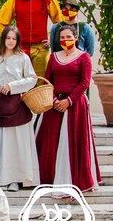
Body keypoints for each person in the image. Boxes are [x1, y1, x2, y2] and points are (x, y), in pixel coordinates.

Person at [35, 24, 102, 193]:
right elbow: (48, 79)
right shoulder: (54, 56)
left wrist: (69, 101)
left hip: (75, 105)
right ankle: (50, 177)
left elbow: (85, 82)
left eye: (69, 37)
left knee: (74, 144)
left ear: (76, 38)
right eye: (62, 38)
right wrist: (55, 99)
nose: (65, 40)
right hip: (54, 104)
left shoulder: (84, 57)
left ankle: (75, 179)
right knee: (50, 142)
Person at [0, 26, 39, 191]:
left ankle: (16, 179)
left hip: (17, 104)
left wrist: (12, 85)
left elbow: (32, 79)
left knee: (16, 144)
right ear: (3, 38)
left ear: (17, 41)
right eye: (8, 38)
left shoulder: (23, 58)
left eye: (14, 38)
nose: (10, 41)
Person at [0, 0, 63, 77]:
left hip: (41, 48)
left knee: (40, 80)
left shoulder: (47, 0)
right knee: (19, 79)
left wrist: (54, 39)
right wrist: (10, 40)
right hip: (20, 48)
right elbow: (2, 21)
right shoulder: (14, 0)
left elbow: (60, 22)